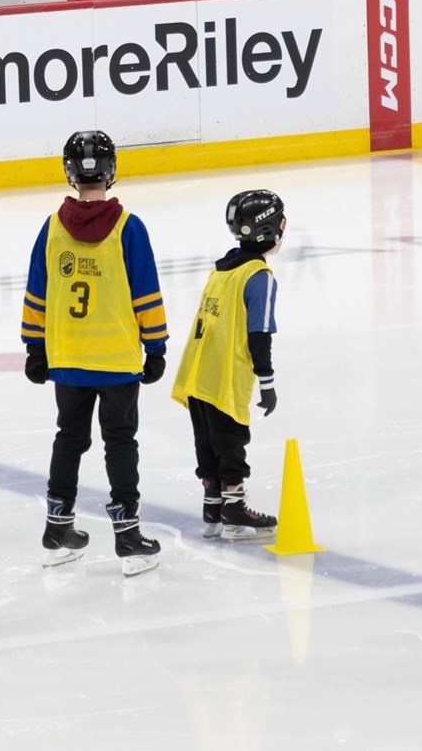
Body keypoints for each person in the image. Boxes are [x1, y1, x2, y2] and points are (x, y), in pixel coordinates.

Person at [20, 130, 168, 577]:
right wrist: (156, 346)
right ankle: (127, 536)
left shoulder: (51, 228)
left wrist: (34, 347)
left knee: (70, 438)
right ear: (112, 171)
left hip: (67, 358)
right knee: (120, 442)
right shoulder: (129, 228)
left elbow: (37, 293)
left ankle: (57, 527)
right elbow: (146, 294)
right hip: (117, 360)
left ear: (69, 172)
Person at [170, 190, 286, 540]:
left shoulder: (223, 267)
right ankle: (233, 510)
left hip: (195, 373)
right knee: (231, 440)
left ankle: (212, 508)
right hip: (223, 375)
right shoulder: (259, 276)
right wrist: (266, 382)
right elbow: (259, 334)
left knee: (207, 441)